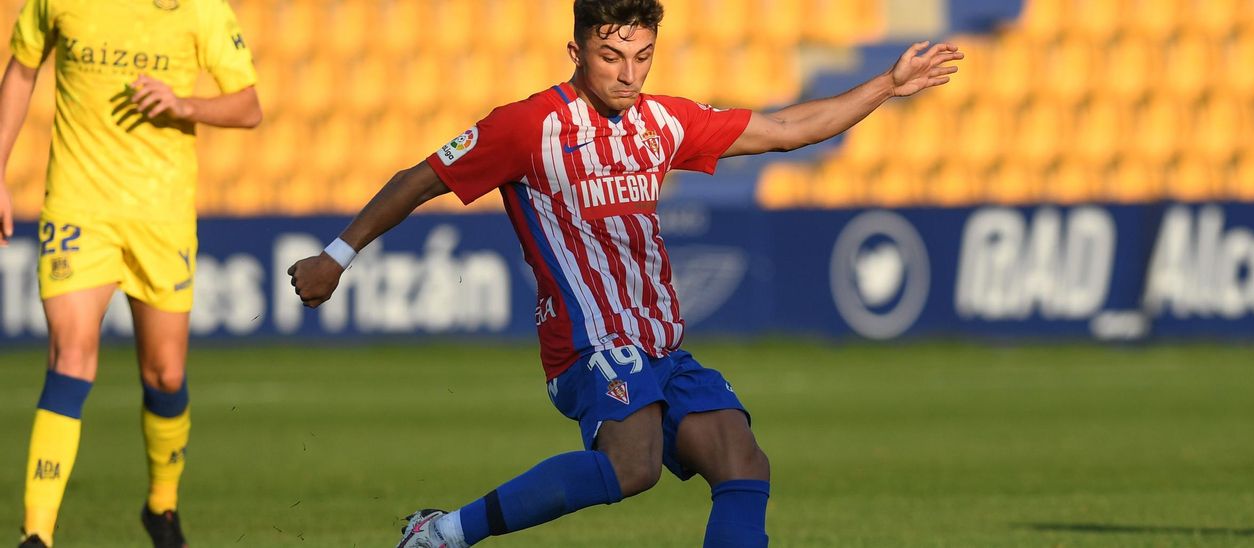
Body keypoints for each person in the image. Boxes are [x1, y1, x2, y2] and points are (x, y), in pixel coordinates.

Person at [288, 1, 960, 546]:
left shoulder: (663, 121)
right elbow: (421, 179)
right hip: (588, 343)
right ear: (577, 53)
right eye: (612, 56)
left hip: (661, 344)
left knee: (742, 459)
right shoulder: (527, 127)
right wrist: (337, 256)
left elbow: (788, 128)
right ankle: (441, 536)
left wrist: (888, 86)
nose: (628, 72)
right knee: (632, 465)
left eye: (642, 55)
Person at [0, 0, 262, 545]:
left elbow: (248, 106)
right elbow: (23, 67)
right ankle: (37, 534)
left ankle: (161, 508)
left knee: (164, 374)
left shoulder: (198, 8)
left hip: (160, 218)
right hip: (78, 208)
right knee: (70, 357)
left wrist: (182, 104)